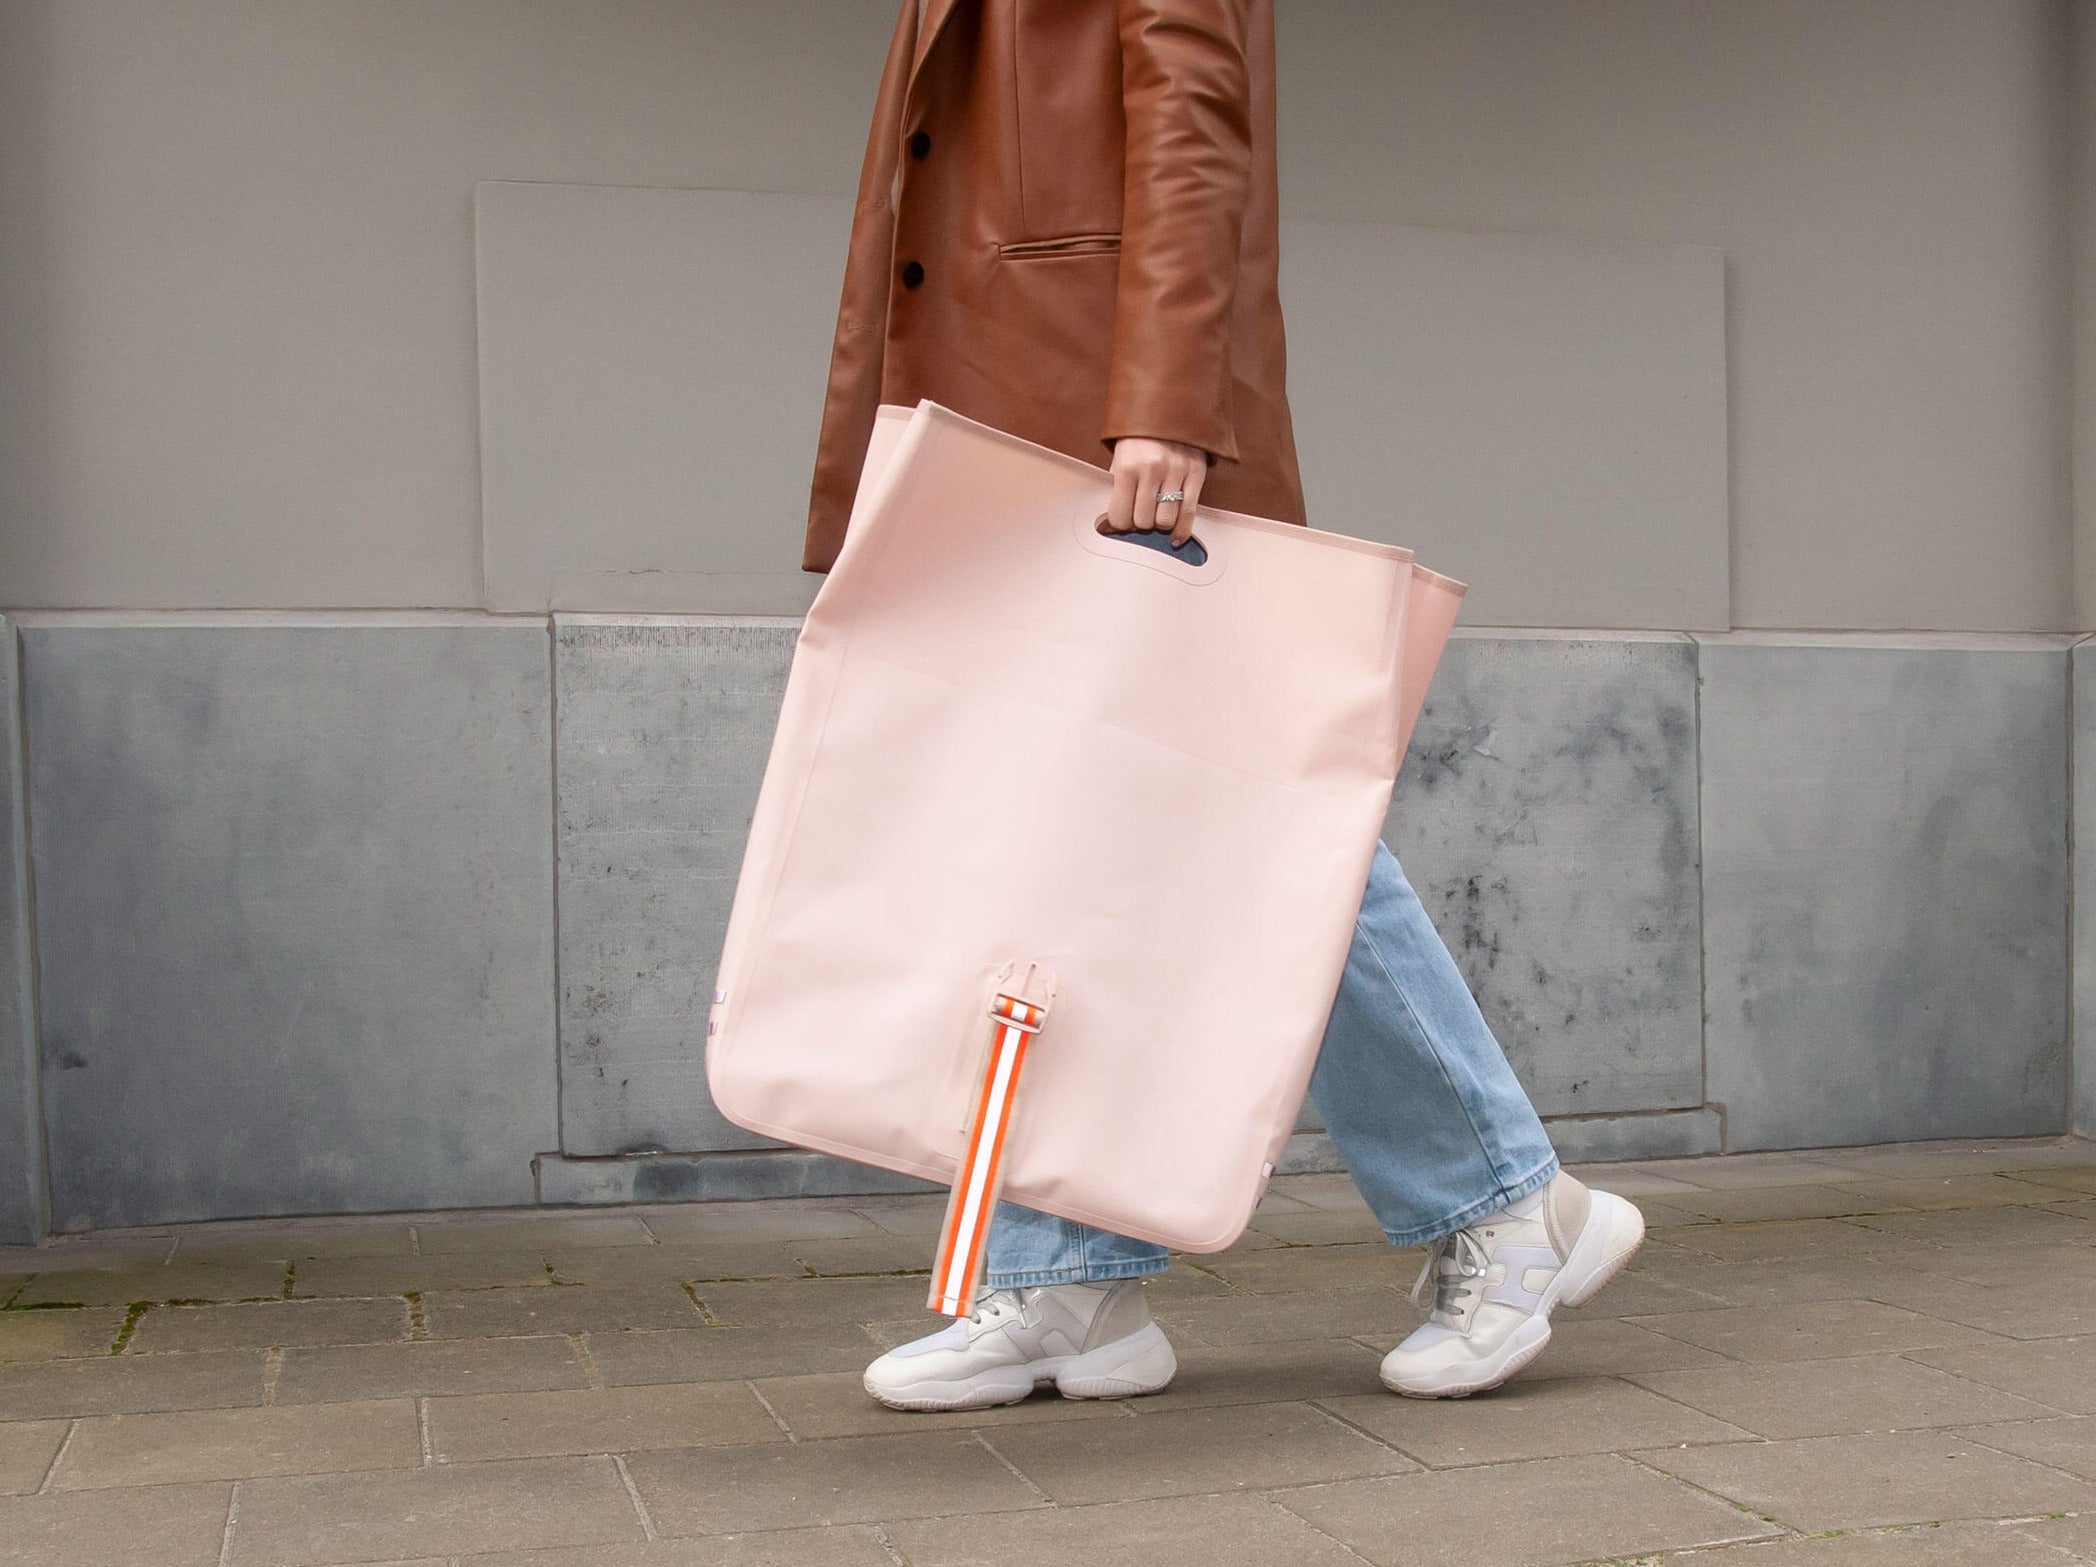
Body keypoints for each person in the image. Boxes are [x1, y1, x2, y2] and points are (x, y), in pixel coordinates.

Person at [799, 0, 1645, 1407]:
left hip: (1109, 433)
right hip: (1012, 424)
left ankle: (1508, 1203)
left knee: (1259, 830)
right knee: (1080, 848)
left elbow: (1193, 120)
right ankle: (1071, 1275)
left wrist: (1166, 400)